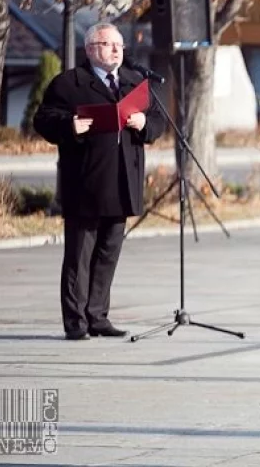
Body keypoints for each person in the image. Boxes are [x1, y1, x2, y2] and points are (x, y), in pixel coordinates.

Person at [34, 22, 165, 340]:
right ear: (91, 49)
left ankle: (98, 316)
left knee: (108, 253)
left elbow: (160, 120)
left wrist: (144, 121)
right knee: (80, 255)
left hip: (123, 181)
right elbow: (43, 119)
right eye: (109, 44)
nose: (117, 50)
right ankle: (76, 322)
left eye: (120, 45)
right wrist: (70, 125)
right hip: (85, 182)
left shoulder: (134, 83)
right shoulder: (70, 83)